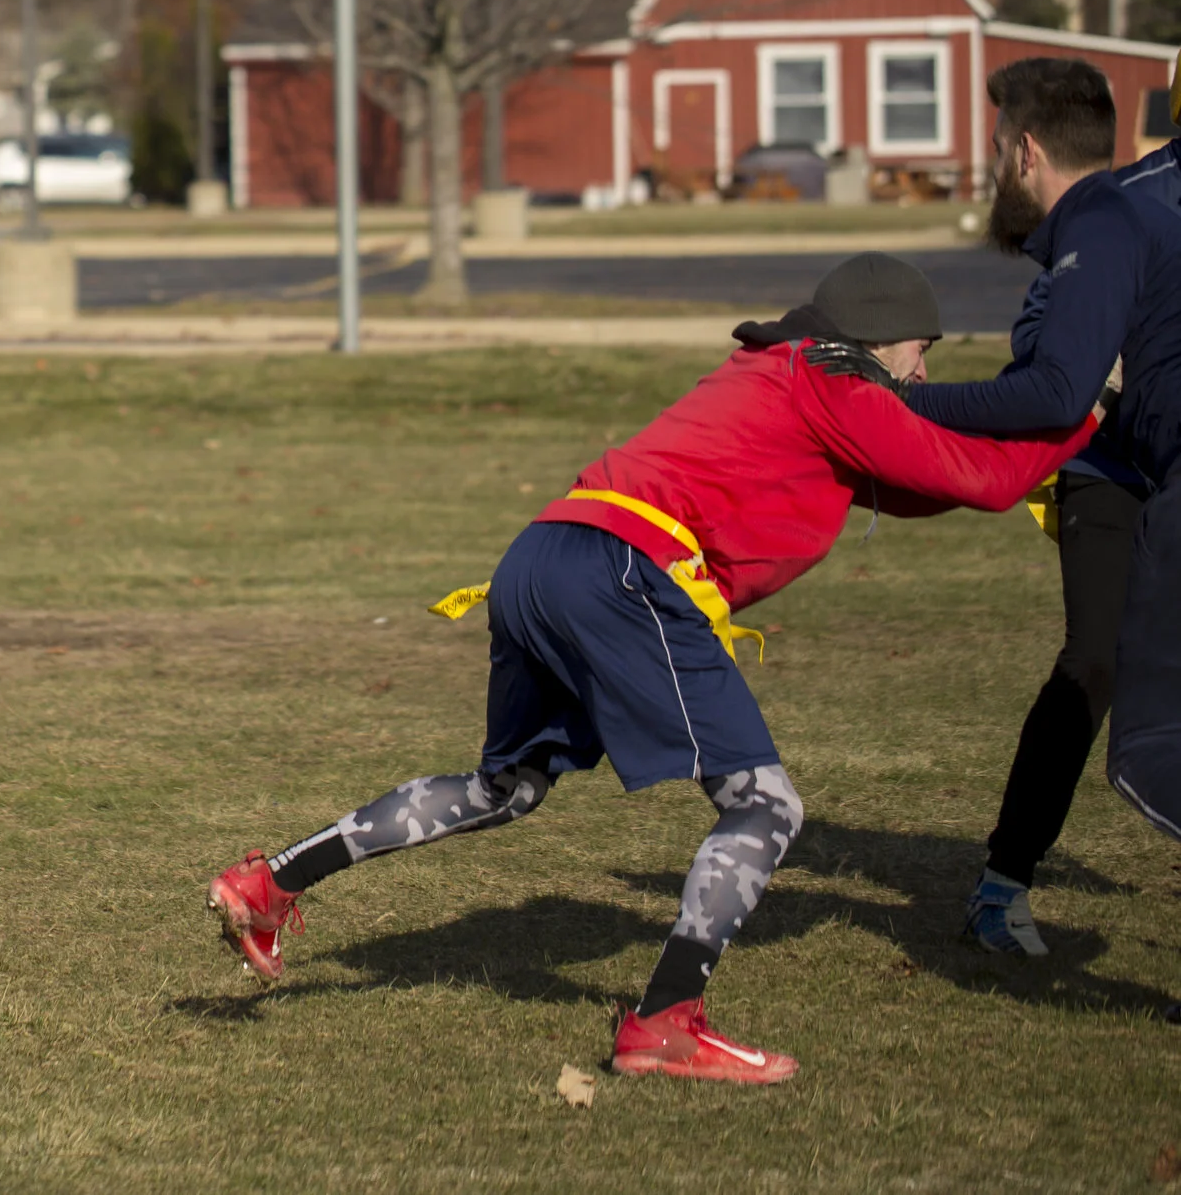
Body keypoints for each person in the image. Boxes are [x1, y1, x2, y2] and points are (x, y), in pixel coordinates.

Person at [206, 254, 1098, 1084]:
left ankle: (271, 882)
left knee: (504, 789)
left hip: (543, 555)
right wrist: (1090, 411)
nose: (925, 372)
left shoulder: (779, 371)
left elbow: (928, 484)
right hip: (625, 572)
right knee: (766, 805)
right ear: (875, 337)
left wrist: (1040, 449)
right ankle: (665, 1023)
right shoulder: (835, 378)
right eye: (920, 350)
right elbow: (975, 479)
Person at [883, 60, 1181, 937]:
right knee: (1098, 658)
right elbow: (1046, 362)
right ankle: (1004, 880)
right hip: (1112, 464)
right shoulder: (1124, 201)